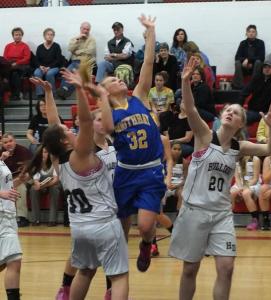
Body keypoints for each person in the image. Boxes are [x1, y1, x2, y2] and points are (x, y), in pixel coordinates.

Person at [169, 56, 271, 300]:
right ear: (222, 116)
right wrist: (186, 83)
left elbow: (270, 150)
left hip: (220, 214)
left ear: (240, 123)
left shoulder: (240, 146)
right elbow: (191, 109)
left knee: (227, 268)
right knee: (190, 269)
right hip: (194, 210)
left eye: (236, 112)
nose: (230, 112)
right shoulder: (204, 135)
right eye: (228, 110)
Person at [30, 67, 129, 300]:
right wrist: (78, 89)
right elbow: (85, 121)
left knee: (84, 272)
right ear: (66, 141)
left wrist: (49, 94)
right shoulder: (82, 154)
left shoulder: (57, 159)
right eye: (67, 130)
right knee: (120, 277)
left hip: (80, 227)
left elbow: (54, 123)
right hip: (103, 221)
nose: (69, 128)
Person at [86, 15, 166, 273]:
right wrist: (99, 96)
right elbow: (108, 128)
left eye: (120, 78)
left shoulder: (139, 98)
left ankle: (146, 243)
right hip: (125, 172)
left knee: (144, 226)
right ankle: (116, 272)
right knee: (121, 227)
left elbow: (149, 63)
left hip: (151, 170)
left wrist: (151, 32)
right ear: (106, 93)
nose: (119, 79)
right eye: (112, 80)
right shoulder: (109, 111)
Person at [0, 149, 22, 300]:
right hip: (2, 217)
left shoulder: (1, 160)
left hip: (7, 215)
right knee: (14, 261)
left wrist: (21, 179)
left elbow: (6, 185)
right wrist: (2, 194)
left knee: (7, 262)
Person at [56, 22, 96, 100]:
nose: (86, 31)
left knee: (76, 75)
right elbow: (70, 49)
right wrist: (78, 40)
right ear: (80, 29)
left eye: (87, 29)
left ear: (89, 30)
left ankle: (64, 91)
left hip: (86, 62)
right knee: (66, 72)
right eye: (84, 29)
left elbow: (90, 51)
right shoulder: (75, 39)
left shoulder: (92, 40)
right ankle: (64, 90)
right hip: (74, 62)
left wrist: (77, 52)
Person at [0, 133, 32, 227]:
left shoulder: (23, 151)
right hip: (7, 180)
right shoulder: (1, 153)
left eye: (10, 141)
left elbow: (31, 169)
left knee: (20, 187)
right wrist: (2, 159)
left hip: (25, 177)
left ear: (15, 141)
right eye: (5, 142)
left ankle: (22, 218)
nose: (8, 144)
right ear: (2, 144)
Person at [239, 60, 271, 125]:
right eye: (265, 67)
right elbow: (244, 93)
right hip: (254, 111)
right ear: (262, 69)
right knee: (242, 117)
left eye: (269, 67)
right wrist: (240, 108)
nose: (267, 69)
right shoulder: (256, 79)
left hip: (269, 112)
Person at [26, 145, 61, 226]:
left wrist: (42, 186)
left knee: (54, 188)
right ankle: (36, 219)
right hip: (42, 184)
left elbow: (56, 180)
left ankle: (52, 220)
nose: (43, 154)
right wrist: (37, 184)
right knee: (33, 189)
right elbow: (36, 179)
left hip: (53, 184)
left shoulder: (55, 161)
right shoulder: (36, 164)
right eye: (41, 152)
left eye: (45, 152)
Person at [230, 155, 261, 230]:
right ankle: (228, 219)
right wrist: (240, 187)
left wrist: (244, 187)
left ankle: (255, 220)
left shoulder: (255, 159)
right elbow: (237, 178)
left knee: (246, 193)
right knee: (231, 192)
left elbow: (255, 178)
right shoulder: (236, 159)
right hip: (240, 184)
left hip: (253, 183)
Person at [232, 24, 265, 90]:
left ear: (256, 33)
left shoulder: (260, 42)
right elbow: (237, 57)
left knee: (258, 62)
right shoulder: (243, 43)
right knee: (237, 63)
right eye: (249, 32)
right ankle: (239, 86)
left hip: (256, 68)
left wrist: (248, 60)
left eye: (253, 32)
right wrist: (246, 62)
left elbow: (261, 57)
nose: (251, 33)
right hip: (244, 68)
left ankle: (254, 84)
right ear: (246, 33)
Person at [33, 28, 63, 99]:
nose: (49, 36)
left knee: (49, 73)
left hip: (53, 67)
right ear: (44, 36)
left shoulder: (56, 46)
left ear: (53, 36)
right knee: (37, 73)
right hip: (42, 67)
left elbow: (58, 60)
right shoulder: (40, 47)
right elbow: (36, 60)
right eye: (48, 34)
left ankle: (51, 93)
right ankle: (40, 94)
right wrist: (40, 66)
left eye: (51, 35)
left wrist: (49, 67)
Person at [3, 27, 31, 101]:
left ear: (22, 36)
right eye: (16, 35)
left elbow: (27, 58)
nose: (18, 36)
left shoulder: (25, 46)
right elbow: (5, 57)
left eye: (19, 34)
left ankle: (16, 95)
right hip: (10, 64)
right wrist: (9, 64)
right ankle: (6, 94)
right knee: (5, 72)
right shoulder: (8, 46)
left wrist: (17, 63)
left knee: (14, 73)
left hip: (21, 65)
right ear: (13, 36)